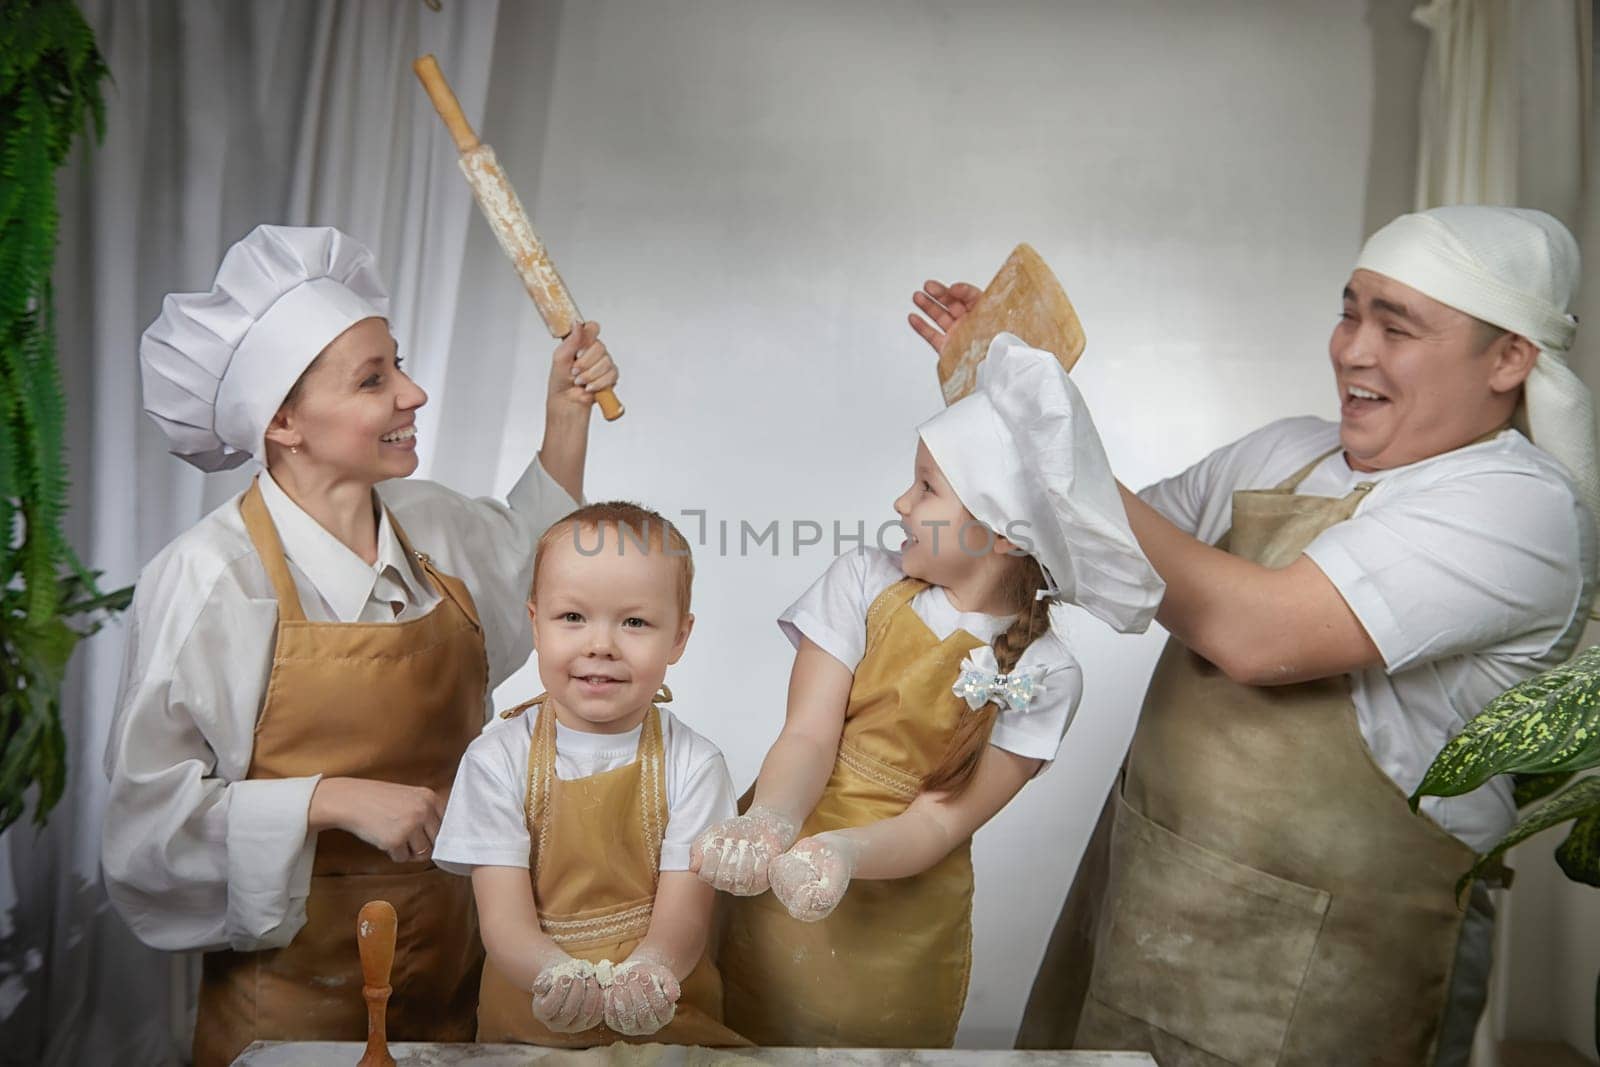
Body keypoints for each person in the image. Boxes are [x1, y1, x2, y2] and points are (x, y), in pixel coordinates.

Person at [912, 206, 1597, 1066]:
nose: (1353, 348)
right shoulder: (1285, 452)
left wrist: (1044, 428)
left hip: (1331, 973)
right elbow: (1082, 551)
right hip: (1145, 910)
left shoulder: (1518, 507)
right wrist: (998, 416)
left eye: (1399, 325)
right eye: (1351, 311)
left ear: (1509, 358)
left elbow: (1257, 633)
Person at [100, 224, 617, 1067]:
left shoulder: (433, 523)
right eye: (375, 379)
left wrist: (565, 410)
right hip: (294, 1014)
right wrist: (327, 798)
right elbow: (145, 834)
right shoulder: (209, 579)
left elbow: (535, 562)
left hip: (460, 977)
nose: (413, 393)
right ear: (284, 423)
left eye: (400, 364)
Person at [693, 339, 1165, 1047]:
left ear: (1002, 533)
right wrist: (773, 822)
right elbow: (809, 734)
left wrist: (843, 856)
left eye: (927, 488)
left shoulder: (1047, 672)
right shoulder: (863, 581)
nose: (900, 501)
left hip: (903, 918)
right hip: (783, 867)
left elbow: (943, 821)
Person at [432, 502, 748, 1047]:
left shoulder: (694, 764)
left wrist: (652, 970)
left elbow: (685, 922)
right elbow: (504, 925)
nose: (600, 644)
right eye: (572, 617)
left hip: (665, 1017)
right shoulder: (494, 762)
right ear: (535, 623)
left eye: (635, 622)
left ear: (679, 637)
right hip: (529, 1023)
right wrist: (553, 976)